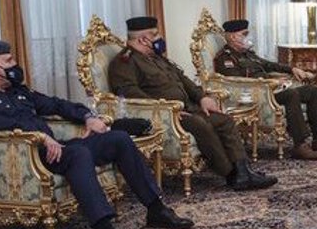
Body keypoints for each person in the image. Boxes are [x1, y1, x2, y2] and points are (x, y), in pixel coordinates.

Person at [0, 39, 193, 229]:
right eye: (9, 61)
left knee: (118, 139)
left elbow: (57, 104)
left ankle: (156, 209)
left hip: (57, 150)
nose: (15, 65)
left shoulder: (18, 91)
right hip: (26, 156)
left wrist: (88, 117)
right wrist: (38, 136)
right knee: (79, 153)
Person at [108, 16, 276, 190]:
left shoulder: (156, 58)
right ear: (143, 39)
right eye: (156, 35)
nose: (160, 39)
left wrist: (202, 97)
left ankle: (243, 171)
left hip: (188, 107)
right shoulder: (124, 62)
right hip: (167, 115)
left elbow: (183, 79)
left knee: (224, 120)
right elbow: (129, 93)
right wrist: (166, 110)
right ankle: (231, 173)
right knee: (200, 124)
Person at [213, 19, 317, 161]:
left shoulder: (248, 54)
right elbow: (237, 82)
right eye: (244, 34)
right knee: (291, 94)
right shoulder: (225, 58)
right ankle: (300, 145)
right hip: (255, 95)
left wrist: (292, 69)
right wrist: (271, 82)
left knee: (312, 90)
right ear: (233, 37)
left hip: (270, 90)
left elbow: (269, 65)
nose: (247, 38)